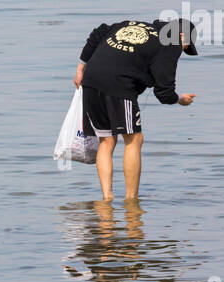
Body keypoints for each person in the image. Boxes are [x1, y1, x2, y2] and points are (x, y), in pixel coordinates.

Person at [73, 18, 197, 201]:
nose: (182, 51)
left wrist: (80, 69)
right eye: (185, 46)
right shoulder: (170, 44)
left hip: (91, 80)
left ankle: (107, 197)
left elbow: (98, 32)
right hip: (119, 84)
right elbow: (164, 92)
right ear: (180, 36)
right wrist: (180, 99)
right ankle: (131, 200)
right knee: (134, 139)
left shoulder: (130, 24)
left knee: (106, 141)